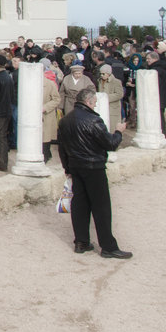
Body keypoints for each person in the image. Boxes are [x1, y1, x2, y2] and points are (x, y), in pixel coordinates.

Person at [57, 87, 130, 259]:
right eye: (95, 103)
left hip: (76, 166)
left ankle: (81, 242)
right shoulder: (93, 120)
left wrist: (67, 168)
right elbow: (110, 144)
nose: (95, 106)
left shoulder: (66, 120)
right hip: (93, 167)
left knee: (80, 205)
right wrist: (119, 131)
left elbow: (62, 148)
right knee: (101, 207)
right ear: (89, 102)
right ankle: (108, 246)